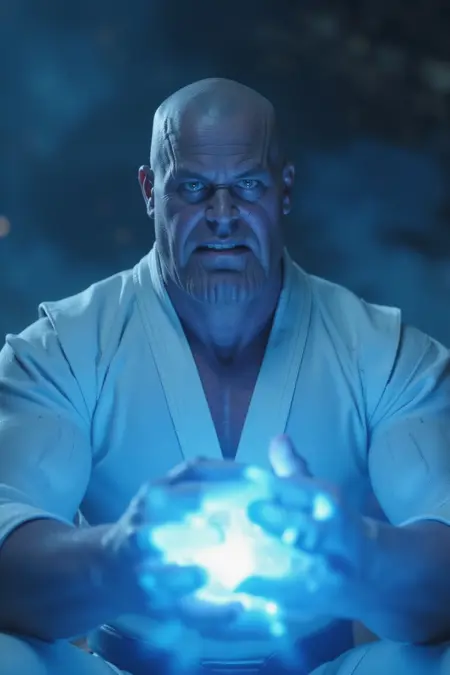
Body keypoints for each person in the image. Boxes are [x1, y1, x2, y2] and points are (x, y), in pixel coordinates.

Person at [0, 77, 449, 675]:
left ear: (284, 189)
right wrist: (117, 560)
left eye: (247, 186)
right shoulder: (62, 347)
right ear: (150, 191)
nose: (221, 217)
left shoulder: (384, 353)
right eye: (193, 187)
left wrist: (360, 555)